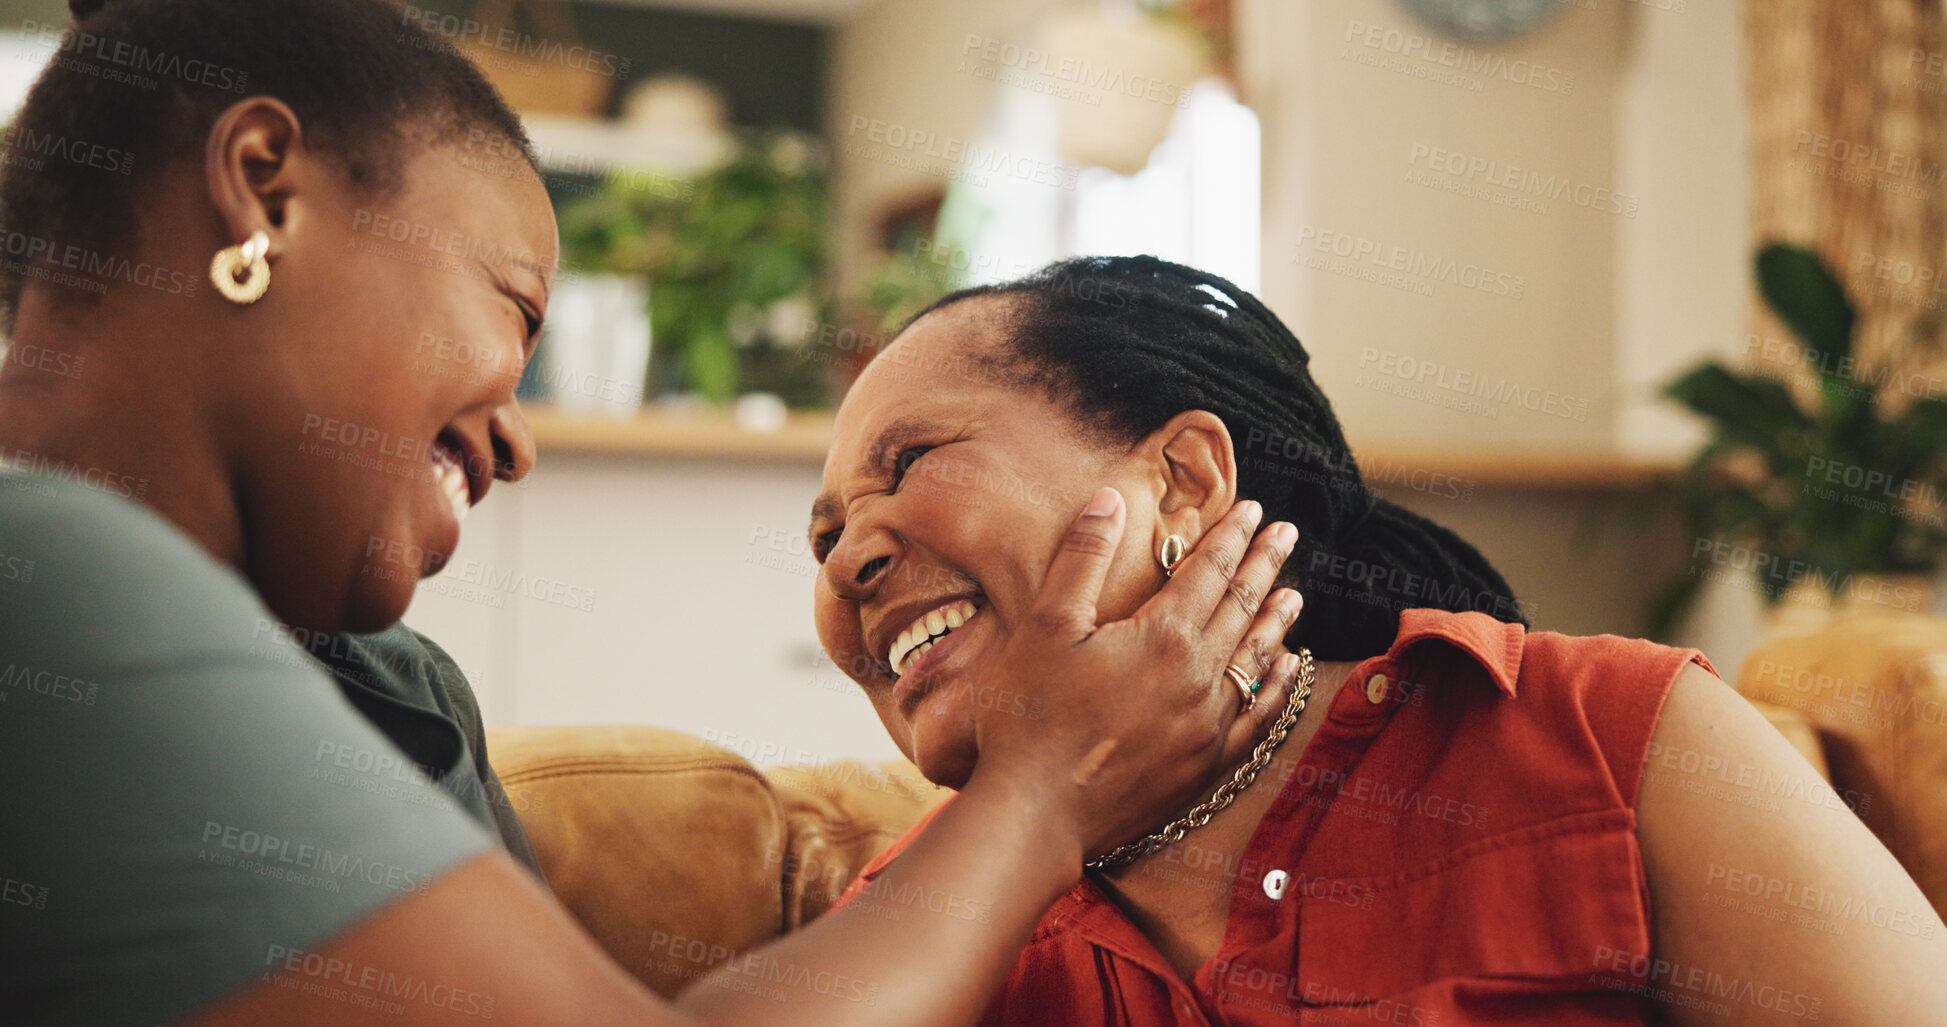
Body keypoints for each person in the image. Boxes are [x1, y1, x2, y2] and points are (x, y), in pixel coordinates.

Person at [0, 2, 1312, 1025]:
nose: (515, 438)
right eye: (515, 308)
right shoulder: (45, 566)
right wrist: (1040, 791)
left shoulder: (397, 692)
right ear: (264, 183)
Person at [809, 255, 1947, 1025]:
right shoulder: (902, 933)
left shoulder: (1609, 735)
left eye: (908, 464)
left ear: (1184, 480)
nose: (848, 558)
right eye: (822, 538)